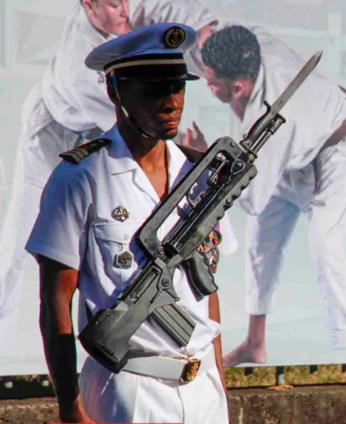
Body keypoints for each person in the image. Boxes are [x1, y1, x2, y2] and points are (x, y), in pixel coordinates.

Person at [26, 23, 234, 424]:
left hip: (202, 393)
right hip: (129, 392)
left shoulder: (200, 176)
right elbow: (55, 302)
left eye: (178, 86)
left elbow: (208, 288)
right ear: (116, 88)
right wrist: (71, 417)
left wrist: (220, 387)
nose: (172, 101)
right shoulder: (81, 175)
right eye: (154, 88)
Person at [0, 0, 216, 333]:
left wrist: (207, 34)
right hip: (53, 131)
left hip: (106, 123)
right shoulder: (82, 72)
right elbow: (139, 129)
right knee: (21, 237)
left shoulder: (125, 8)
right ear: (88, 6)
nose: (125, 11)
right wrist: (196, 157)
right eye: (114, 5)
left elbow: (185, 16)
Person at [187, 24, 346, 364]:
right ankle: (255, 344)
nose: (206, 83)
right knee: (261, 244)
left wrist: (205, 157)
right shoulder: (255, 45)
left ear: (238, 86)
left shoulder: (270, 122)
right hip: (297, 150)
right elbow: (237, 34)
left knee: (326, 246)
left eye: (211, 82)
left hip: (335, 153)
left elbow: (253, 201)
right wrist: (201, 40)